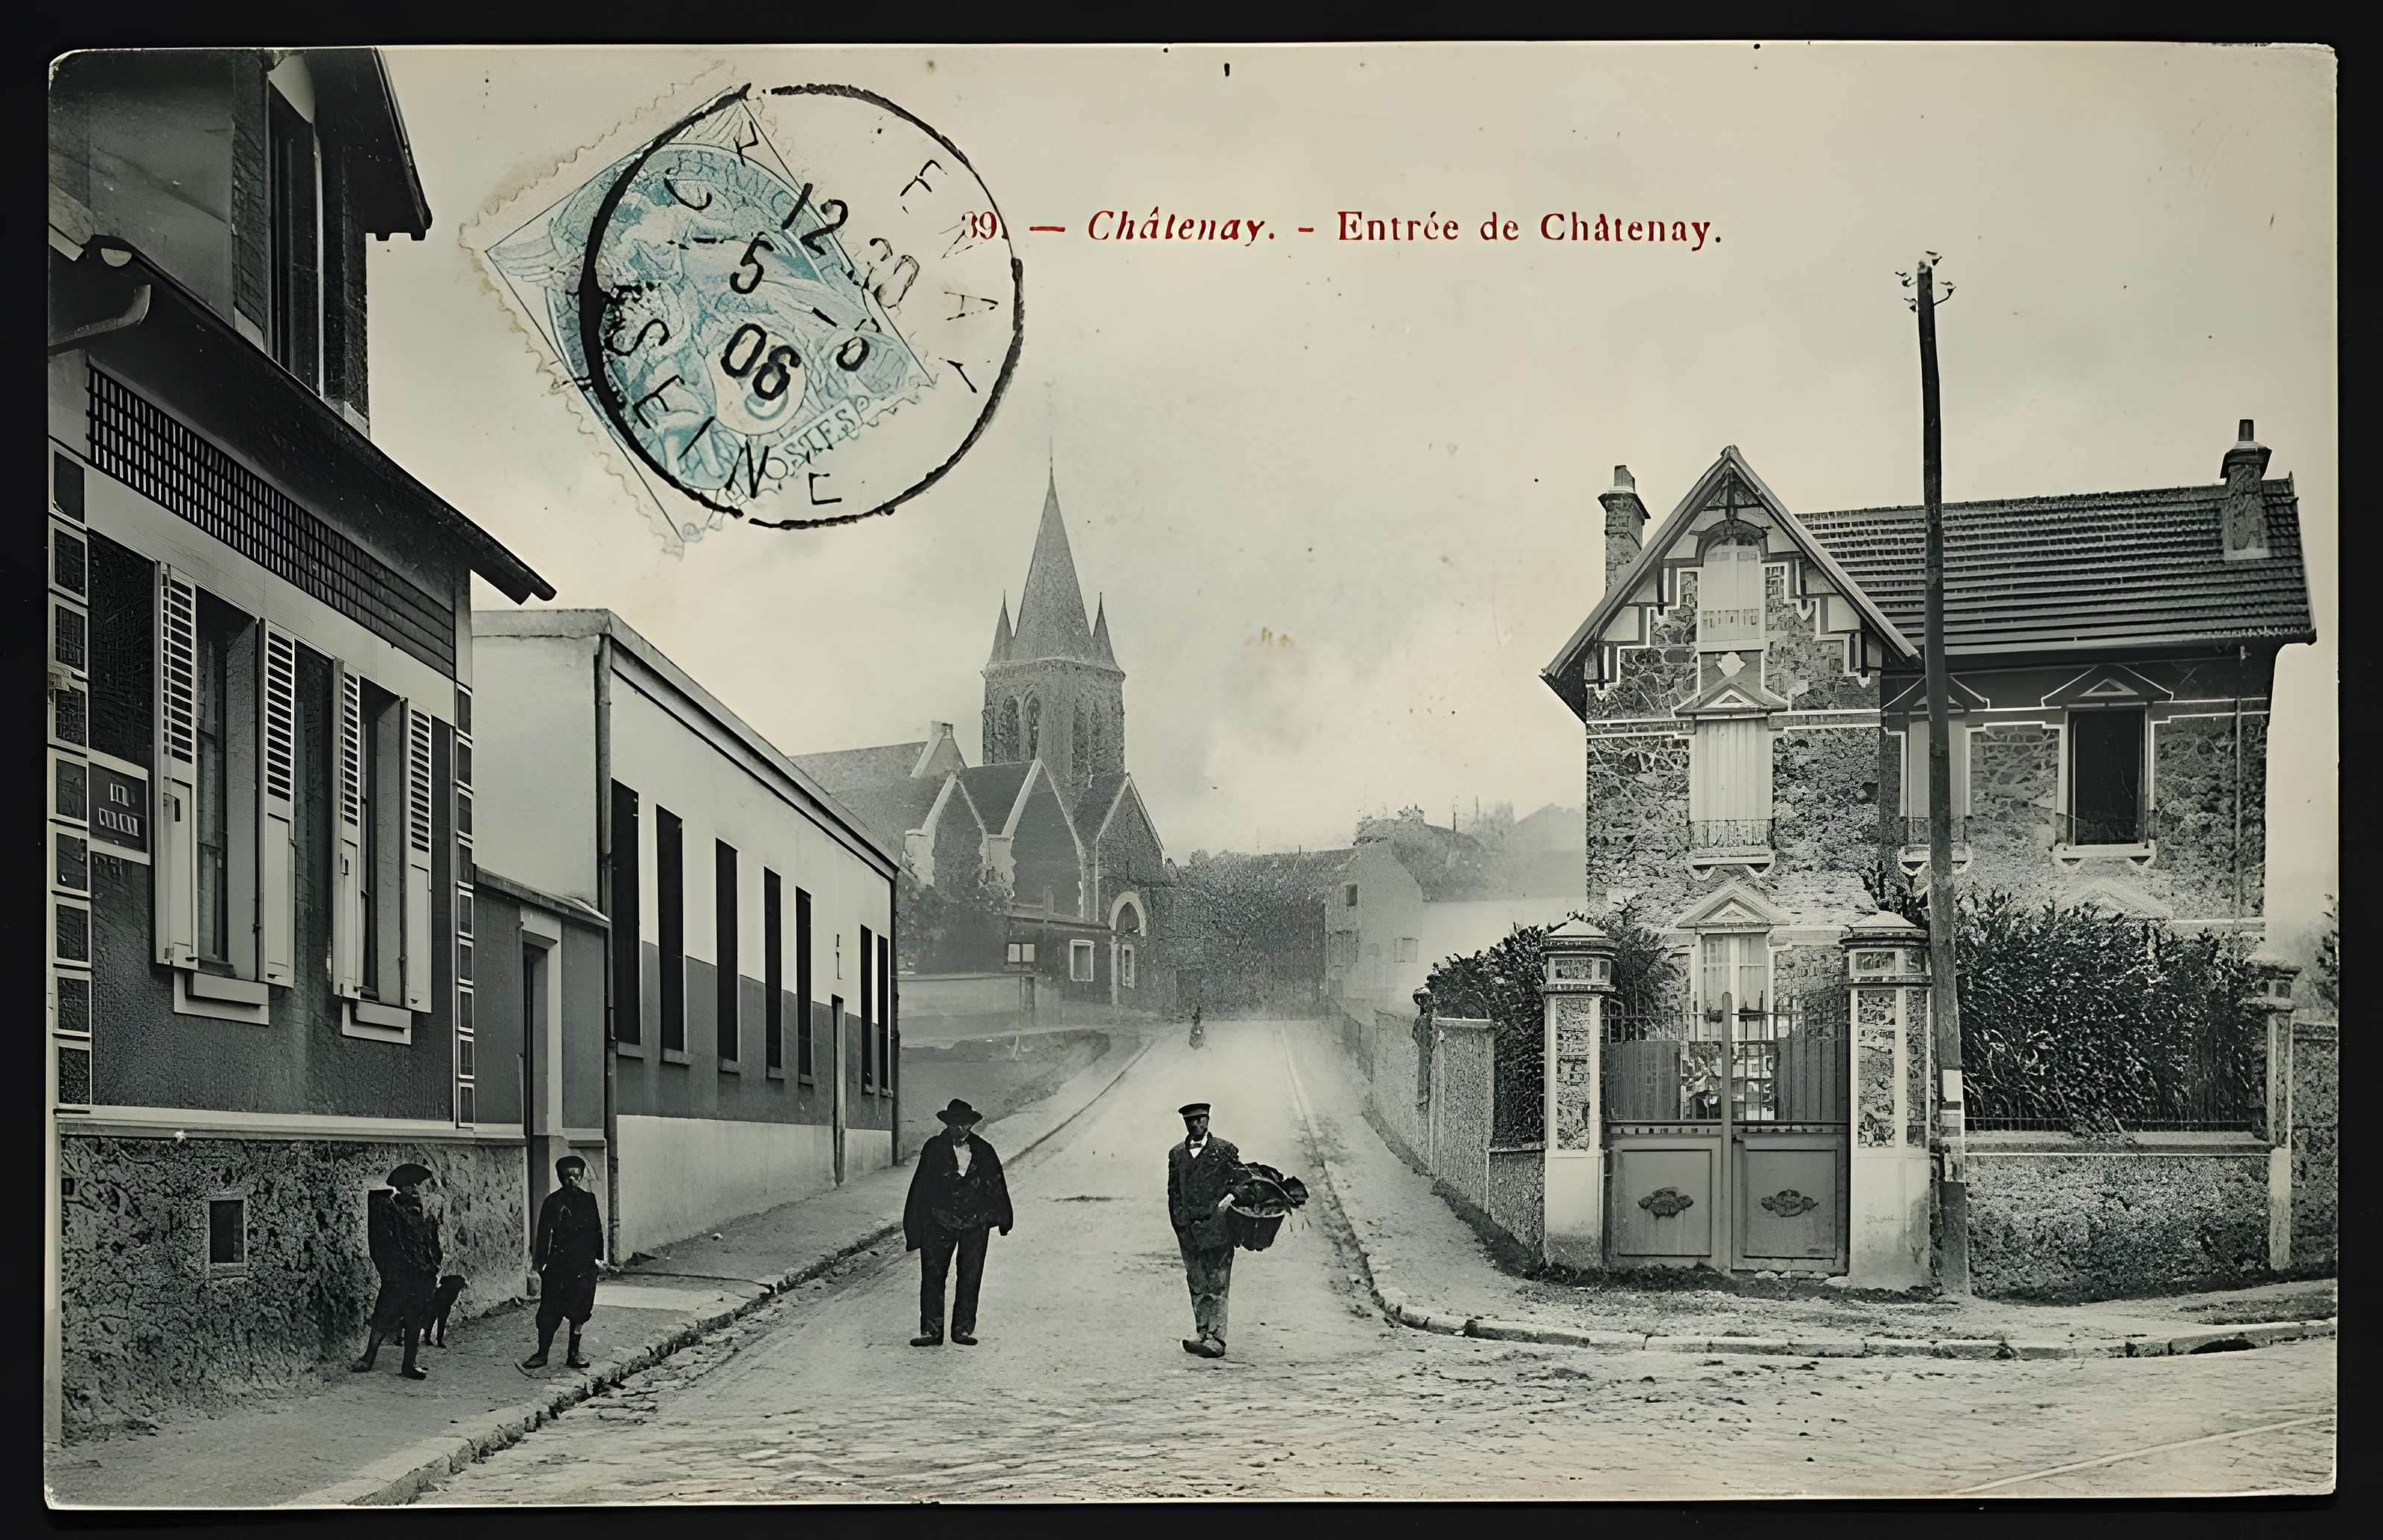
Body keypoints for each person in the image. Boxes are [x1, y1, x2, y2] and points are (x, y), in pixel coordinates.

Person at [902, 1098, 1014, 1347]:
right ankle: (931, 1330)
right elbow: (920, 1187)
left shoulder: (984, 1150)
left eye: (964, 1124)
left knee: (970, 1275)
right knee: (933, 1275)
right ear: (947, 1124)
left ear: (971, 1125)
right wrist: (914, 1226)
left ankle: (963, 1329)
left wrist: (1003, 1218)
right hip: (939, 1221)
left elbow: (996, 1184)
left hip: (975, 1223)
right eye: (954, 1124)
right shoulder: (934, 1148)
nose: (959, 1129)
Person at [1166, 1102, 1244, 1359]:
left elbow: (1242, 1182)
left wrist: (1231, 1197)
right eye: (1191, 1121)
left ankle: (1217, 1338)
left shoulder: (1224, 1150)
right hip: (1189, 1232)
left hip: (1218, 1230)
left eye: (1201, 1120)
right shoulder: (1177, 1154)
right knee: (1197, 1281)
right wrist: (1179, 1223)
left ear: (1208, 1120)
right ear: (1186, 1124)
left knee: (1218, 1282)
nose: (1196, 1125)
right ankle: (1201, 1331)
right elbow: (1174, 1193)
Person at [354, 1162, 442, 1380]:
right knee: (383, 1316)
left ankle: (409, 1365)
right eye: (414, 1187)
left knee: (415, 1320)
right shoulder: (391, 1212)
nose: (418, 1191)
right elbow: (383, 1245)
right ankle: (368, 1357)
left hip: (420, 1276)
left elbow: (431, 1244)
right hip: (399, 1275)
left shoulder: (423, 1216)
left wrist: (432, 1268)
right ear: (404, 1189)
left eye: (418, 1187)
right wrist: (391, 1271)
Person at [521, 1154, 606, 1373]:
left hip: (584, 1265)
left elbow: (597, 1229)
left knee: (580, 1309)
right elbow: (543, 1235)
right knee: (549, 1310)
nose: (572, 1181)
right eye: (567, 1177)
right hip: (558, 1265)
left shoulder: (589, 1200)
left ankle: (574, 1354)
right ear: (560, 1178)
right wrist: (541, 1264)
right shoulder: (552, 1202)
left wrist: (598, 1257)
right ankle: (542, 1353)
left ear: (581, 1177)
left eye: (576, 1176)